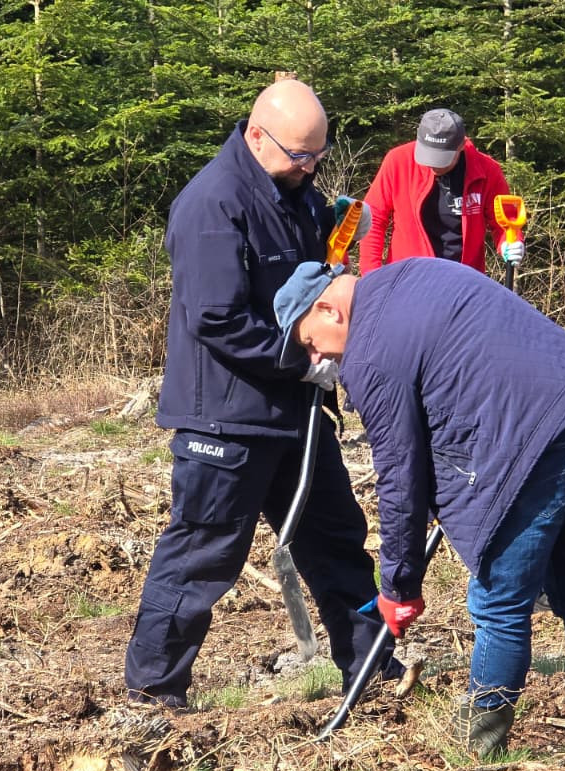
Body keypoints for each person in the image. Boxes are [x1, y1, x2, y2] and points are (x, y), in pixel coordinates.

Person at [276, 256, 565, 756]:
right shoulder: (414, 272)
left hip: (536, 437)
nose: (315, 359)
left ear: (329, 309)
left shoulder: (369, 352)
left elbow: (400, 475)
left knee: (500, 604)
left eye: (308, 343)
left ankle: (479, 751)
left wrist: (398, 586)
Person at [123, 80, 397, 708]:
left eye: (317, 155)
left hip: (296, 415)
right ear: (255, 135)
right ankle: (153, 690)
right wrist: (301, 362)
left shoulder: (300, 195)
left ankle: (373, 672)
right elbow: (216, 317)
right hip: (227, 417)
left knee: (335, 539)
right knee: (203, 554)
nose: (309, 167)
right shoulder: (212, 205)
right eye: (298, 155)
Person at [358, 109, 517, 277]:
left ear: (461, 145)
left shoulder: (486, 170)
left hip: (464, 281)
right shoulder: (398, 161)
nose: (433, 165)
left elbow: (504, 220)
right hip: (408, 280)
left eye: (441, 159)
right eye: (428, 156)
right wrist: (372, 275)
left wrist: (509, 242)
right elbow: (373, 218)